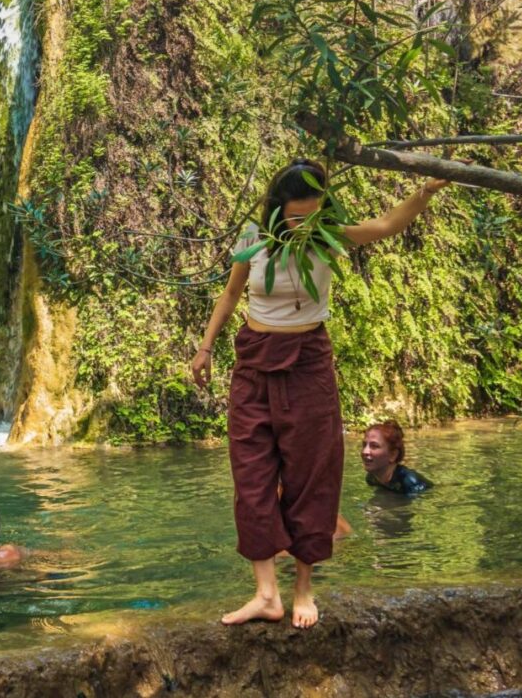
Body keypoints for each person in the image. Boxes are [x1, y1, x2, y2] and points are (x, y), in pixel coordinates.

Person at [191, 159, 450, 628]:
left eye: (313, 214)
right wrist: (206, 347)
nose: (304, 224)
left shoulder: (329, 238)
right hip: (253, 362)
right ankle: (266, 594)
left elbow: (387, 224)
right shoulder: (253, 239)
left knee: (311, 474)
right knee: (251, 477)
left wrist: (425, 192)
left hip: (308, 362)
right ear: (276, 210)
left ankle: (303, 590)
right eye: (295, 216)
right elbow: (230, 294)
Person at [362, 421, 432, 495]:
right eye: (364, 445)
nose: (364, 451)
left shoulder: (410, 482)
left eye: (374, 446)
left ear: (393, 455)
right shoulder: (371, 479)